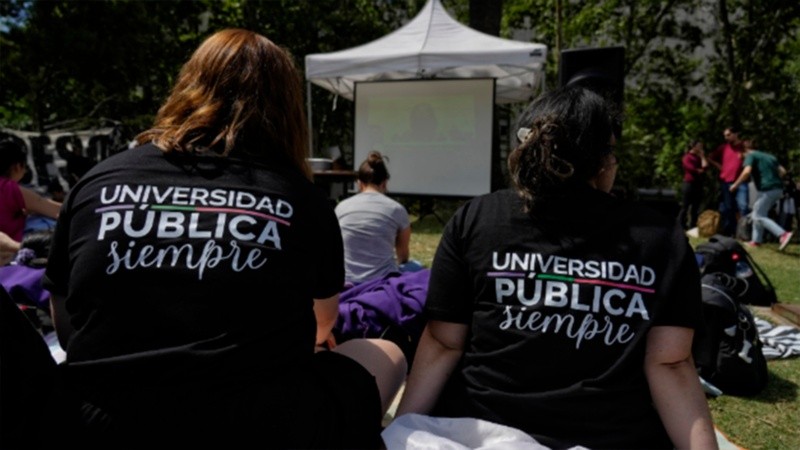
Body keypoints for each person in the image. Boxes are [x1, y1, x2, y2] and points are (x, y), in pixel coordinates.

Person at [41, 29, 406, 448]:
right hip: (259, 426)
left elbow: (67, 321)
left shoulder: (98, 181)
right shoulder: (302, 198)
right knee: (386, 352)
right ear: (284, 108)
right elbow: (321, 325)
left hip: (101, 421)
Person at [392, 86, 718, 449]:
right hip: (609, 438)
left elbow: (442, 342)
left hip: (478, 434)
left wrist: (404, 428)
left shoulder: (477, 218)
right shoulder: (661, 237)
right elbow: (670, 364)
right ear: (604, 159)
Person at [335, 151, 422, 285]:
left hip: (348, 280)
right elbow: (403, 256)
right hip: (382, 281)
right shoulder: (396, 209)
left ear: (359, 183)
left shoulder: (341, 208)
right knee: (416, 266)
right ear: (385, 183)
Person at [729, 139, 793, 250]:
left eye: (740, 154)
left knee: (758, 216)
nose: (739, 157)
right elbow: (783, 171)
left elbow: (747, 172)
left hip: (767, 189)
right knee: (757, 212)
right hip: (777, 189)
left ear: (745, 150)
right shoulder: (770, 157)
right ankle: (756, 241)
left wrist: (735, 185)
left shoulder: (751, 156)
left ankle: (783, 234)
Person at [0, 139, 62, 242]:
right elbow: (56, 211)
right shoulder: (9, 188)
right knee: (43, 221)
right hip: (12, 247)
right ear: (18, 166)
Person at [708, 126, 748, 236]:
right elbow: (710, 157)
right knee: (728, 207)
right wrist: (720, 166)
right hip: (726, 180)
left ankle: (743, 232)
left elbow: (753, 156)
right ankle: (730, 231)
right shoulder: (723, 148)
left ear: (736, 134)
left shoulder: (743, 147)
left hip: (741, 181)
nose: (726, 138)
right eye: (725, 135)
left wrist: (744, 157)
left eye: (728, 135)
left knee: (743, 206)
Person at [677, 139, 708, 230]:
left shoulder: (699, 157)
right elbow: (691, 169)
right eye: (699, 146)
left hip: (698, 184)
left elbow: (705, 167)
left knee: (696, 206)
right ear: (693, 147)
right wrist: (699, 170)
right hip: (689, 184)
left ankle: (692, 225)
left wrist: (702, 157)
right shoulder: (687, 157)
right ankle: (680, 224)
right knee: (685, 206)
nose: (701, 148)